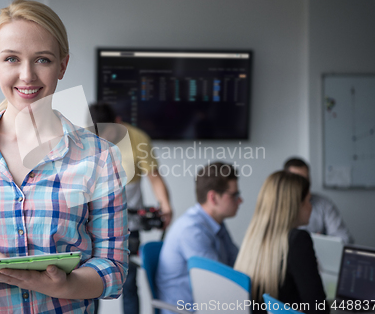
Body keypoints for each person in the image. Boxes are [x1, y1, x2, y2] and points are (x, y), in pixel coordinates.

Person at [0, 0, 128, 313]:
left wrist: (66, 285)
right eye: (11, 59)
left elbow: (114, 270)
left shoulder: (101, 157)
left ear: (62, 65)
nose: (27, 75)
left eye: (43, 60)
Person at [89, 102, 173, 314]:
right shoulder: (85, 139)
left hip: (128, 224)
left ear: (118, 123)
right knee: (89, 282)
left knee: (128, 282)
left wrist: (166, 207)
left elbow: (155, 179)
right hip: (91, 225)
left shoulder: (137, 138)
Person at [234, 171, 329, 314]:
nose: (311, 207)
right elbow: (319, 309)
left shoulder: (254, 236)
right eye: (308, 201)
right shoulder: (297, 240)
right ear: (295, 205)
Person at [156, 162, 241, 314]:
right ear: (213, 198)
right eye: (234, 195)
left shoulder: (216, 223)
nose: (240, 200)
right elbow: (219, 284)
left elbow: (238, 263)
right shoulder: (192, 231)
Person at [283, 157, 353, 244]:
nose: (304, 184)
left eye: (306, 179)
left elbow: (344, 239)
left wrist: (323, 241)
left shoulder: (323, 204)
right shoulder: (278, 209)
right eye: (298, 180)